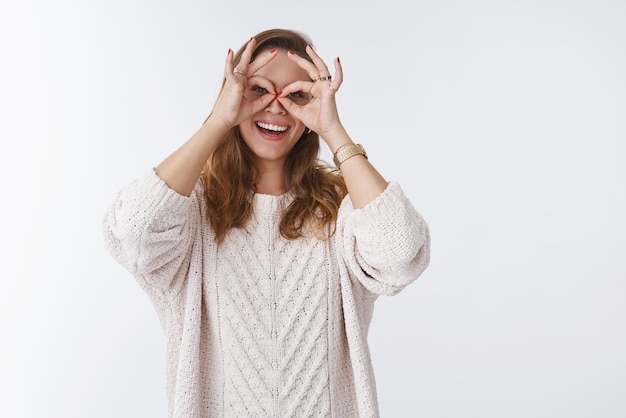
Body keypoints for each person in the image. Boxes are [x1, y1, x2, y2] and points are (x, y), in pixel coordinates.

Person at [103, 28, 430, 418]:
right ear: (232, 93)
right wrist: (217, 121)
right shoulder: (191, 212)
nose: (276, 107)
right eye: (258, 90)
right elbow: (133, 231)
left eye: (296, 95)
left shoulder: (344, 209)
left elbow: (400, 251)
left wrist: (333, 130)